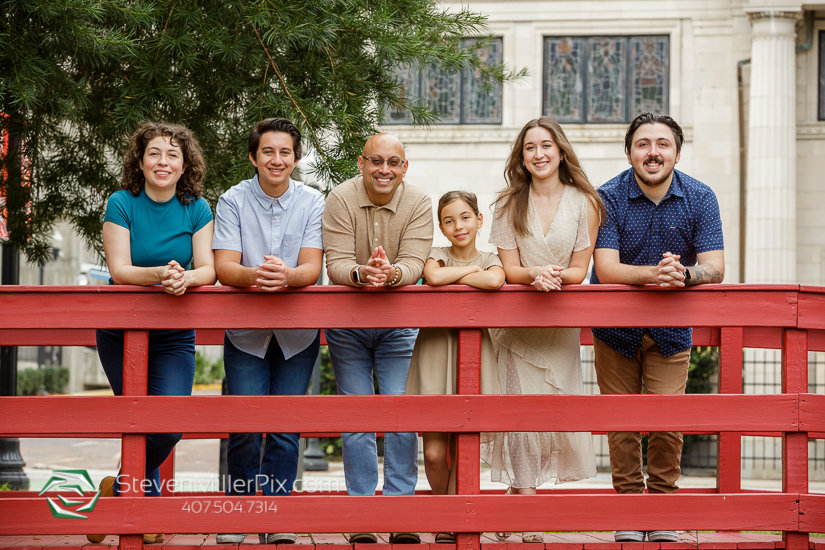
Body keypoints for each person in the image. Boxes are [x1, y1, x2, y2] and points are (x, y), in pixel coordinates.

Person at [590, 112, 725, 543]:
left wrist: (685, 276)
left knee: (669, 420)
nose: (653, 152)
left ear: (677, 153)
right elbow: (606, 270)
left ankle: (663, 506)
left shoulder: (700, 197)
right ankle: (630, 509)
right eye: (643, 143)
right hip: (614, 329)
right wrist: (656, 274)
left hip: (672, 329)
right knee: (621, 423)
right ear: (629, 152)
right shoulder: (606, 197)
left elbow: (715, 267)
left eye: (662, 144)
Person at [89, 122, 215, 544]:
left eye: (173, 154)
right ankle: (145, 505)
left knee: (172, 423)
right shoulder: (121, 203)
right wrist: (162, 275)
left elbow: (209, 269)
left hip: (174, 334)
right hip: (121, 330)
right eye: (155, 153)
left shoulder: (197, 207)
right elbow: (120, 270)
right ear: (140, 161)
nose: (164, 162)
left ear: (185, 165)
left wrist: (188, 279)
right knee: (138, 421)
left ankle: (118, 490)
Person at [485, 116, 603, 543]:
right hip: (517, 328)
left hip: (558, 326)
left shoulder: (585, 202)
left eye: (546, 145)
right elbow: (508, 268)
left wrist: (552, 277)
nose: (538, 154)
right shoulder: (506, 203)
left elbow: (580, 269)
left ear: (560, 151)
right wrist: (532, 274)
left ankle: (520, 508)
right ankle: (526, 508)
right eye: (530, 147)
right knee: (518, 415)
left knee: (549, 413)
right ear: (522, 156)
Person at [212, 118, 325, 545]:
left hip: (298, 333)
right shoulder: (232, 200)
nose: (277, 160)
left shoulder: (313, 200)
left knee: (284, 427)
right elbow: (224, 267)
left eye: (285, 153)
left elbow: (312, 269)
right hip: (246, 331)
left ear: (296, 158)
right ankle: (239, 512)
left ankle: (276, 513)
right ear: (253, 157)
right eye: (268, 152)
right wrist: (258, 276)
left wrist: (289, 277)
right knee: (243, 424)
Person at [323, 133, 433, 545]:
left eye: (393, 162)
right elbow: (335, 263)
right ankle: (362, 514)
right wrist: (360, 274)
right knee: (357, 419)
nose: (384, 169)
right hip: (347, 324)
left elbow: (415, 261)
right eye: (376, 161)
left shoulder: (418, 202)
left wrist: (390, 275)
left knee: (401, 418)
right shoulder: (340, 198)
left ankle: (400, 512)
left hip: (400, 324)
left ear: (404, 167)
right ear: (361, 162)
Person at [404, 190, 505, 545]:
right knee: (432, 452)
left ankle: (448, 520)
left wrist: (459, 274)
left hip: (474, 353)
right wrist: (471, 272)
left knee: (464, 445)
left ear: (479, 220)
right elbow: (431, 278)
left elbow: (494, 281)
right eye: (448, 220)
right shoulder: (435, 255)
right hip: (434, 349)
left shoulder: (492, 257)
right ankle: (449, 512)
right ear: (442, 228)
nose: (457, 225)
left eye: (464, 217)